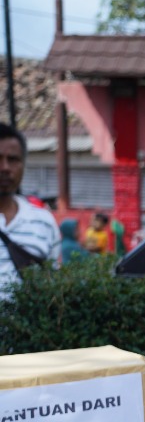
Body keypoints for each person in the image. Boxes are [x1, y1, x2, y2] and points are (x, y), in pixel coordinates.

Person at [0, 123, 60, 302]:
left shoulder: (43, 222)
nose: (5, 167)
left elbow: (54, 287)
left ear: (23, 165)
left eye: (13, 159)